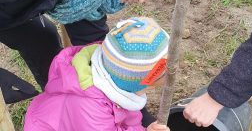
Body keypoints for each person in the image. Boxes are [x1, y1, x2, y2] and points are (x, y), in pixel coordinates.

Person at [0, 0, 185, 105]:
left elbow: (91, 36)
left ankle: (61, 98)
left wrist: (133, 105)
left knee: (41, 38)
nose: (143, 0)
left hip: (10, 2)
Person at [24, 17, 171, 131]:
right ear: (132, 84)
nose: (145, 92)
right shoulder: (89, 109)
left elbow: (128, 122)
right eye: (149, 87)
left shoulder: (115, 77)